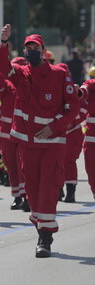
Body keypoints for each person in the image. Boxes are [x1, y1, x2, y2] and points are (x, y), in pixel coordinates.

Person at [0, 24, 79, 258]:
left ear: (43, 50)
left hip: (53, 144)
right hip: (28, 142)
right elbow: (4, 68)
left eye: (35, 47)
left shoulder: (60, 74)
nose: (31, 51)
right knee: (32, 191)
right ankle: (40, 225)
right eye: (28, 48)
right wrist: (4, 43)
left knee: (48, 188)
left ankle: (45, 238)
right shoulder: (21, 74)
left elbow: (72, 108)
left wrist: (53, 127)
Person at [0, 57, 29, 211]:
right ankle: (17, 197)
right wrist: (3, 68)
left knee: (24, 166)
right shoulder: (5, 83)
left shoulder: (29, 84)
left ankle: (27, 196)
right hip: (6, 133)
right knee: (11, 167)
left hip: (23, 132)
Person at [56, 63, 87, 203]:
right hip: (58, 130)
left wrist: (71, 121)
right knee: (56, 161)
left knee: (69, 161)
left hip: (73, 131)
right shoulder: (52, 88)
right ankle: (58, 189)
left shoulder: (75, 89)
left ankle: (70, 192)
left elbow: (83, 110)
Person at [77, 68, 95, 201]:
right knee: (91, 169)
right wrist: (77, 91)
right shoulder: (91, 84)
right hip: (92, 137)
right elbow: (83, 90)